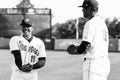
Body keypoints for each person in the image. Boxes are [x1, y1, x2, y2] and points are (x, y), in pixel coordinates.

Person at [67, 0, 110, 80]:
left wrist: (75, 50)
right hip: (104, 63)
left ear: (89, 9)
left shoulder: (91, 23)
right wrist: (78, 47)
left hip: (93, 64)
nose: (82, 10)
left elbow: (84, 46)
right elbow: (93, 44)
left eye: (84, 8)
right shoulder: (102, 23)